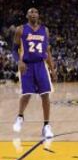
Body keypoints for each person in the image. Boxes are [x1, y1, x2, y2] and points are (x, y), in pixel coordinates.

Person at [12, 8, 57, 139]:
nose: (33, 14)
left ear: (38, 15)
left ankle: (46, 126)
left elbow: (47, 51)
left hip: (41, 65)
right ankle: (20, 117)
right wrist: (18, 61)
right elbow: (14, 50)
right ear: (27, 15)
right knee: (26, 94)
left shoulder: (45, 30)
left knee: (45, 95)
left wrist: (52, 69)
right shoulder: (20, 30)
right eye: (30, 12)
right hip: (27, 65)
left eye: (35, 12)